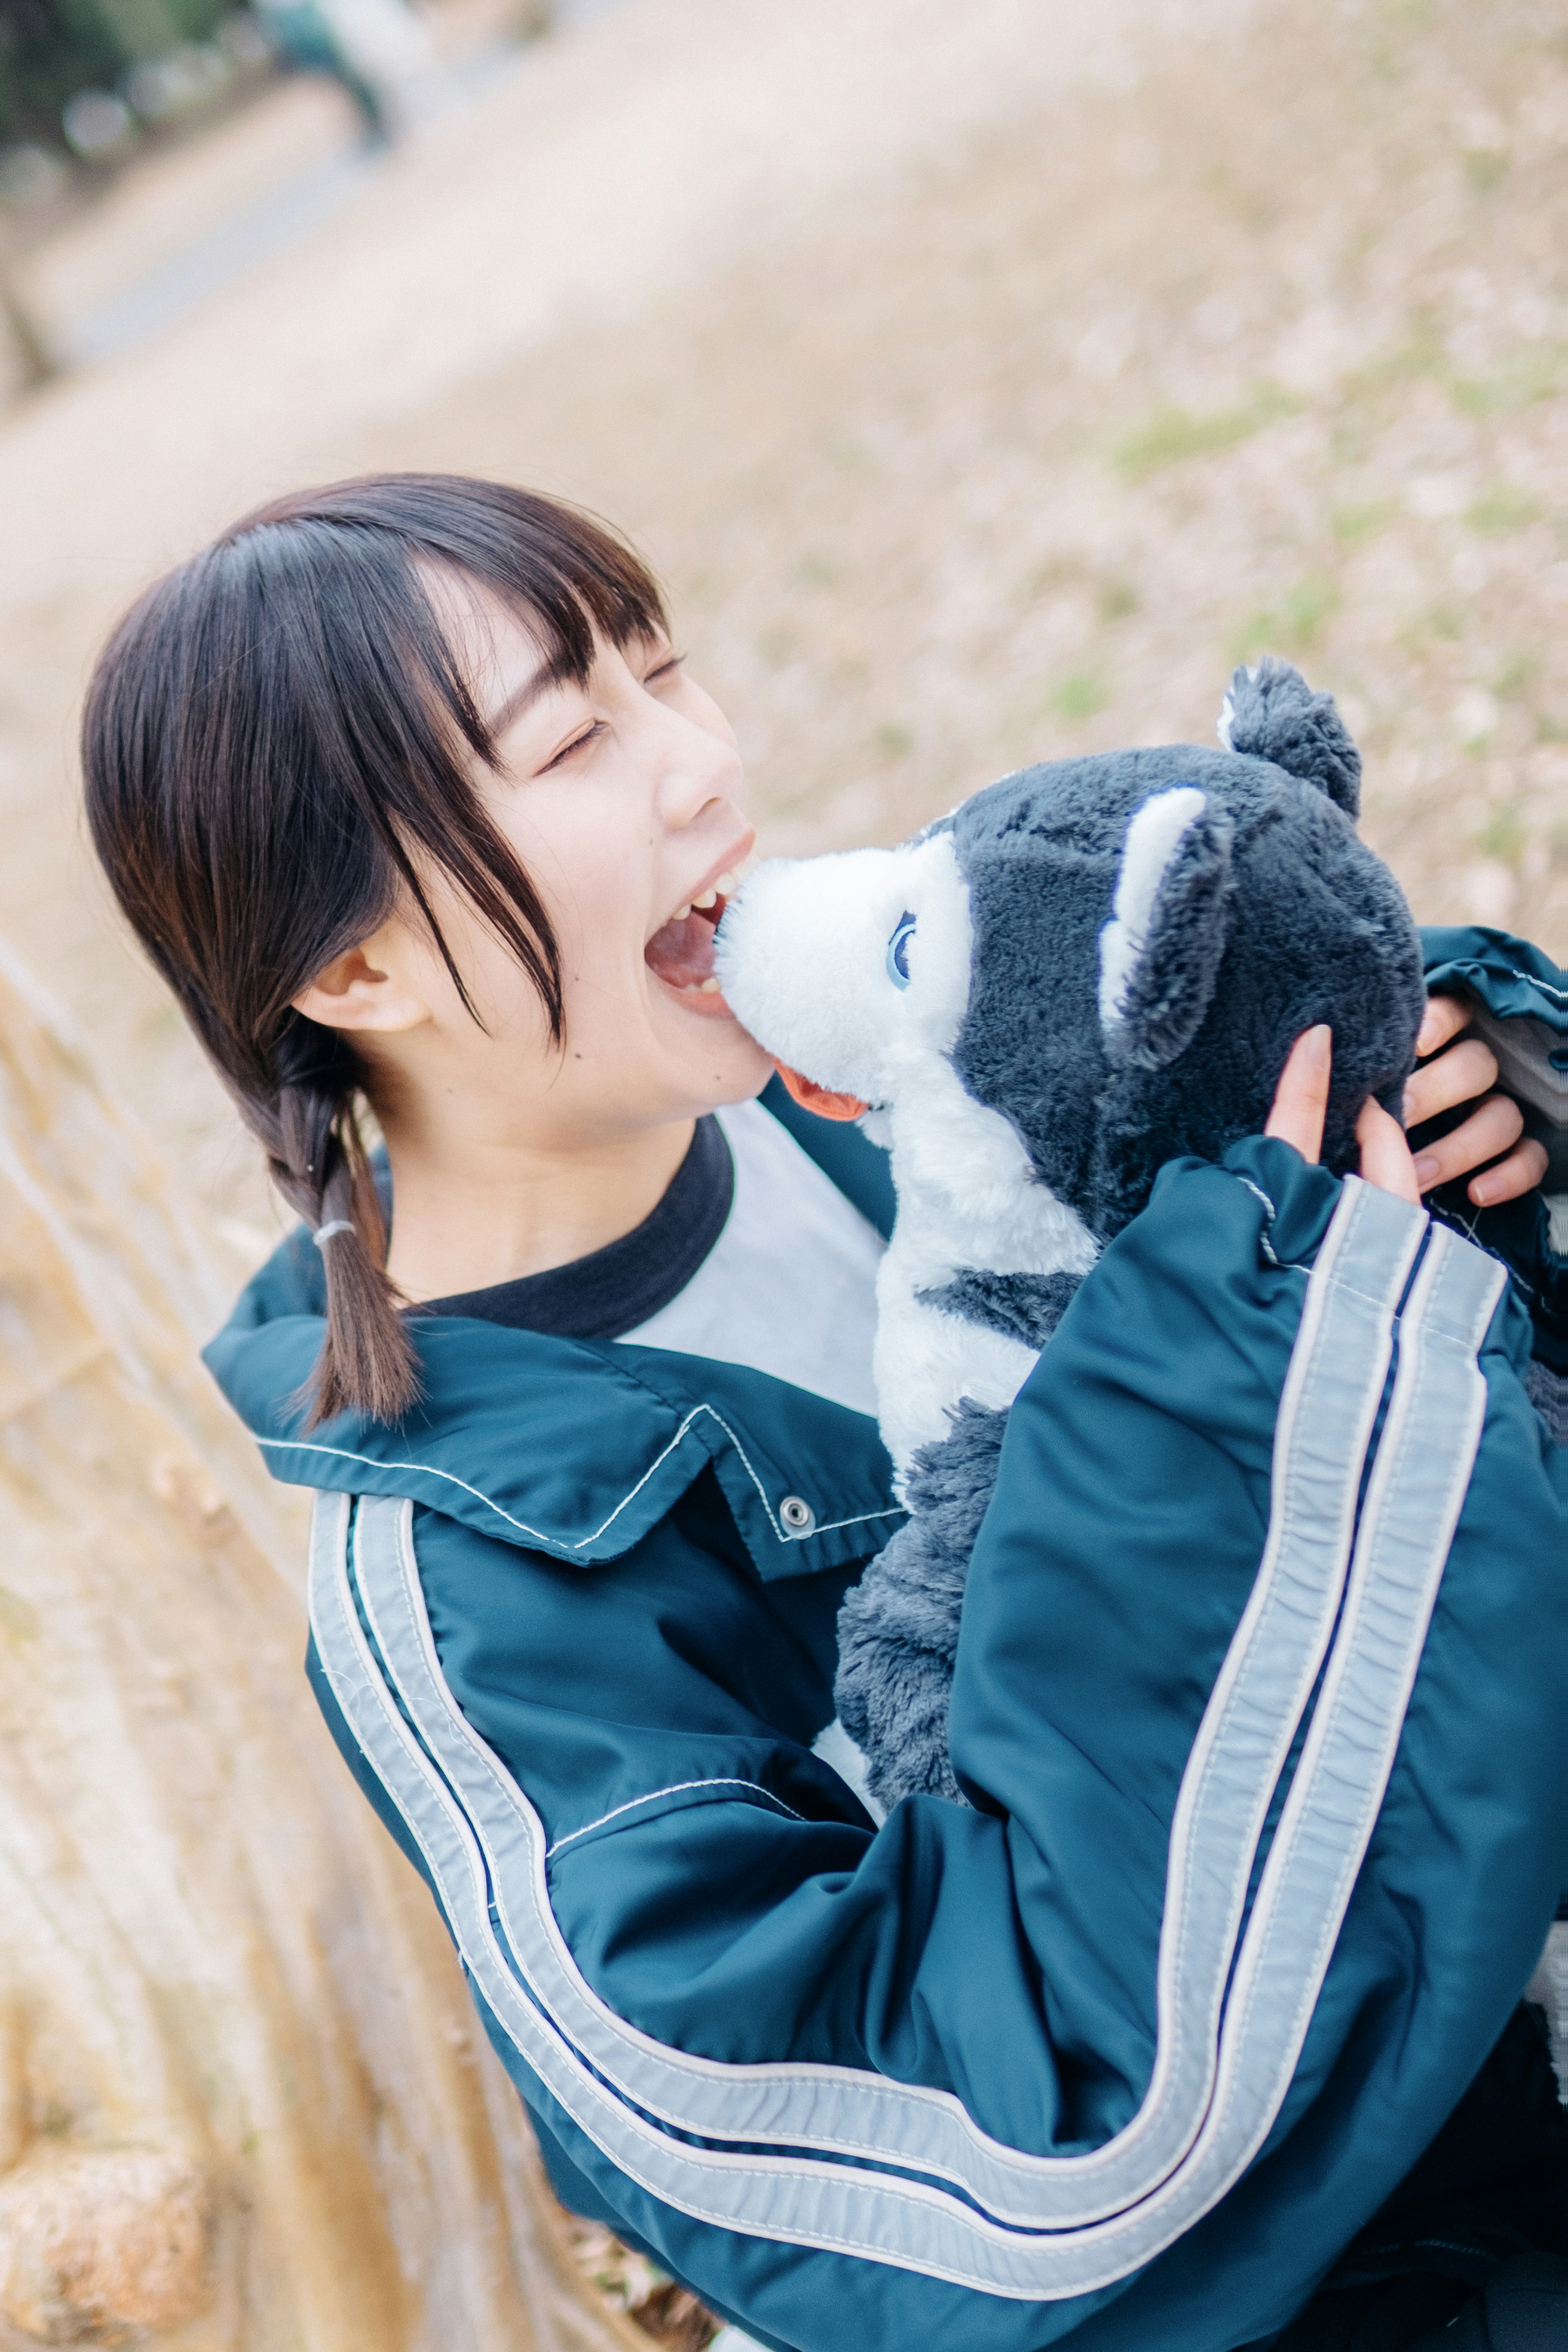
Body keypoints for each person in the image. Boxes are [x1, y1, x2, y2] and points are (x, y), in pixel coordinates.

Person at [80, 474, 1566, 2352]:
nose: (700, 765)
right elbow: (976, 2192)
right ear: (358, 968)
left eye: (667, 671)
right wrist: (1225, 1383)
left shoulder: (900, 1100)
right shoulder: (469, 1607)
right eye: (575, 740)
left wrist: (1500, 1158)